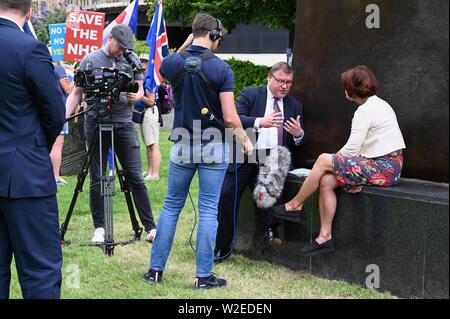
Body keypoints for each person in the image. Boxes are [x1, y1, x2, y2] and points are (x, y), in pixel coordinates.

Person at [144, 13, 253, 289]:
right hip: (214, 145)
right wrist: (244, 139)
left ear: (194, 34)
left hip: (182, 144)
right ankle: (203, 276)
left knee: (170, 207)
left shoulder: (174, 63)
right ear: (214, 35)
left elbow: (165, 67)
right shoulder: (221, 69)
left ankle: (155, 271)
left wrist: (185, 45)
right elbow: (230, 117)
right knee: (207, 211)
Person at [270, 65, 406, 255]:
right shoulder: (379, 104)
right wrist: (330, 166)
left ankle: (294, 205)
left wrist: (329, 162)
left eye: (345, 85)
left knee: (324, 159)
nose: (343, 89)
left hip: (383, 168)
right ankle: (325, 238)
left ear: (351, 89)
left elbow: (351, 150)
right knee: (326, 181)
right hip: (386, 166)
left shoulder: (365, 111)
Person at [65, 24, 156, 244]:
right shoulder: (90, 60)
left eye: (126, 48)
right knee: (98, 175)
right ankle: (100, 228)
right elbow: (76, 93)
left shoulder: (132, 60)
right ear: (111, 39)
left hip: (124, 123)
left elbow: (141, 89)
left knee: (134, 175)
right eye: (121, 47)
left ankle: (151, 227)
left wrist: (138, 96)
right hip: (96, 121)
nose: (122, 51)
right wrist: (64, 119)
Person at [0, 0, 65, 299]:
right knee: (39, 271)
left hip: (21, 168)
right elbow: (54, 113)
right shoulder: (29, 48)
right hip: (26, 176)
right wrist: (34, 149)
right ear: (28, 13)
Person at [214, 62, 307, 262]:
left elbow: (301, 143)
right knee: (227, 194)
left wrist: (299, 134)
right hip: (246, 153)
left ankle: (270, 231)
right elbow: (234, 118)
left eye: (289, 83)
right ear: (269, 77)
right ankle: (222, 247)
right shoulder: (251, 94)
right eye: (281, 81)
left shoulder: (295, 106)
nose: (285, 86)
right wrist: (259, 122)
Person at [132, 53, 162, 181]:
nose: (141, 63)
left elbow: (150, 100)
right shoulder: (143, 78)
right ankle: (150, 171)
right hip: (145, 113)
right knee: (148, 144)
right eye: (141, 60)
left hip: (150, 112)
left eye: (144, 61)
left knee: (153, 144)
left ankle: (155, 174)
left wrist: (138, 96)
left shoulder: (149, 80)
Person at [50, 61, 74, 186]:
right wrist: (76, 77)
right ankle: (55, 177)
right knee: (58, 144)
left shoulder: (43, 66)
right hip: (59, 109)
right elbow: (68, 89)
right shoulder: (58, 69)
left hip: (47, 109)